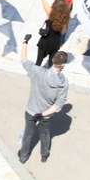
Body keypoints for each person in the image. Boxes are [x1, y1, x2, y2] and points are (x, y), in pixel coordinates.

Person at [17, 36, 68, 164]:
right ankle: (44, 155)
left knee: (28, 134)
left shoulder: (37, 71)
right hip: (46, 114)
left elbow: (23, 59)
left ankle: (24, 156)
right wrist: (44, 114)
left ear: (52, 60)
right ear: (63, 65)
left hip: (31, 110)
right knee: (45, 132)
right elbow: (59, 104)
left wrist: (25, 42)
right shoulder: (63, 82)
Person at [35, 0, 71, 68]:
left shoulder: (50, 12)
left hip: (45, 40)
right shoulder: (65, 19)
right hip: (55, 42)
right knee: (51, 63)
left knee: (38, 62)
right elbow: (63, 32)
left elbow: (43, 0)